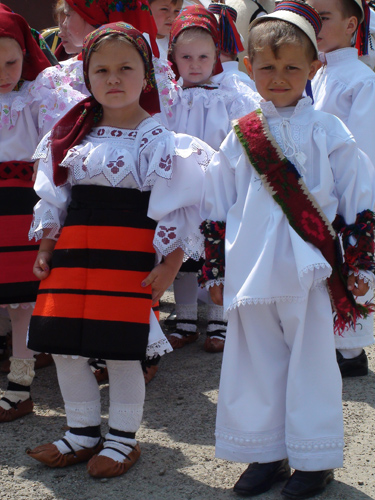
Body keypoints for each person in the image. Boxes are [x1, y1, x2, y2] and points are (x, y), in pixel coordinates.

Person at [199, 1, 375, 498]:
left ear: (313, 68)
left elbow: (360, 197)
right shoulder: (239, 137)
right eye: (268, 67)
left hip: (310, 270)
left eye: (292, 67)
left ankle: (314, 460)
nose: (279, 77)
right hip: (251, 270)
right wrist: (215, 270)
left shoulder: (327, 130)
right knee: (255, 362)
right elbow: (217, 204)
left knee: (312, 363)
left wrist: (360, 264)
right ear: (249, 68)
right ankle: (267, 453)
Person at [25, 22, 213, 479]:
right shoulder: (71, 136)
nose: (113, 78)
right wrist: (47, 247)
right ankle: (81, 433)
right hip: (72, 255)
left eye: (125, 68)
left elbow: (178, 211)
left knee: (122, 351)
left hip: (126, 257)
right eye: (101, 69)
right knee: (66, 346)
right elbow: (56, 199)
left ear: (146, 75)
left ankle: (123, 440)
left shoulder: (160, 141)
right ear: (85, 77)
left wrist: (169, 266)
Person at [157, 4, 259, 353]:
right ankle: (184, 318)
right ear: (173, 55)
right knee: (183, 255)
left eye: (203, 55)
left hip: (217, 189)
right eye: (187, 57)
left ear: (217, 53)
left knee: (217, 254)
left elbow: (243, 142)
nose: (196, 64)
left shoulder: (230, 96)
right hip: (180, 190)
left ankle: (220, 319)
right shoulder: (167, 96)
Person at [0, 5, 83, 423]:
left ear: (25, 54)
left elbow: (55, 145)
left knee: (21, 301)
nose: (3, 73)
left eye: (11, 62)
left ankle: (20, 385)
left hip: (21, 208)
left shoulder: (39, 95)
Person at [308, 0, 375, 376]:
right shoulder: (318, 72)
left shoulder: (362, 80)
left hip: (347, 188)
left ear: (352, 24)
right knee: (327, 263)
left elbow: (363, 147)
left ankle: (351, 351)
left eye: (326, 17)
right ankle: (331, 340)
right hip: (318, 188)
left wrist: (356, 197)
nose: (315, 23)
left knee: (350, 261)